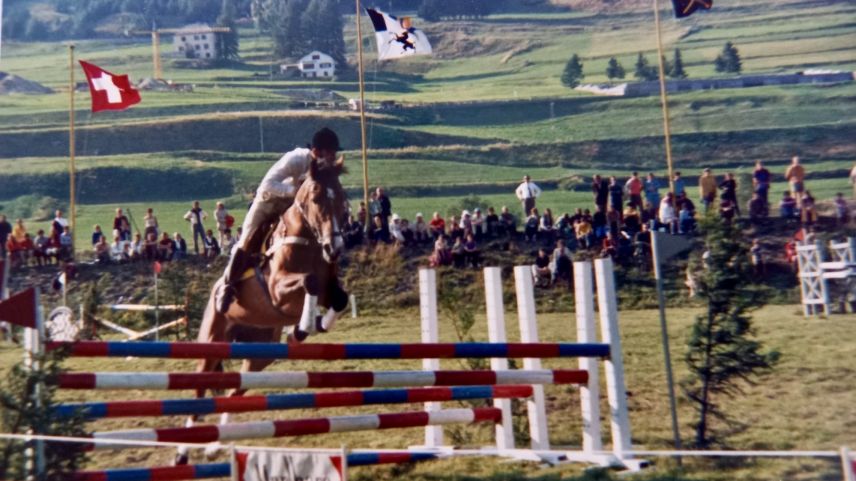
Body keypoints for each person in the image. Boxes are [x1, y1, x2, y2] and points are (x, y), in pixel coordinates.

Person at [216, 128, 343, 313]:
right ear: (316, 151)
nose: (333, 157)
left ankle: (329, 283)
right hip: (268, 202)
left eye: (334, 153)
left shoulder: (325, 172)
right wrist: (295, 192)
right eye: (330, 153)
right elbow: (268, 184)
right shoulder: (297, 159)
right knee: (246, 239)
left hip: (292, 209)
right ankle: (227, 286)